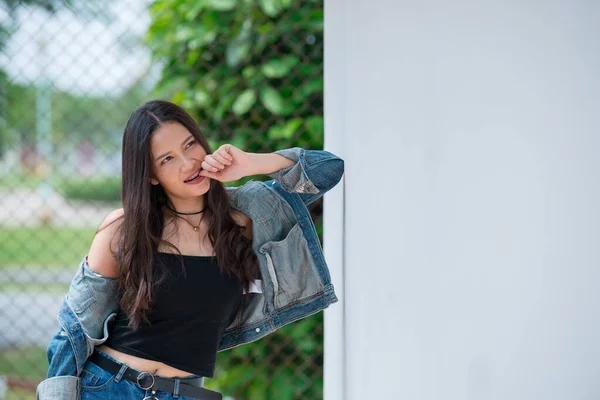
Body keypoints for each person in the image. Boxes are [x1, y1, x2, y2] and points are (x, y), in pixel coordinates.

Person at [36, 100, 344, 400]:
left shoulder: (248, 216)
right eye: (167, 159)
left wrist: (251, 163)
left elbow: (329, 169)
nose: (188, 163)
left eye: (190, 145)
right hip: (110, 387)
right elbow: (77, 327)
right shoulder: (125, 228)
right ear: (151, 175)